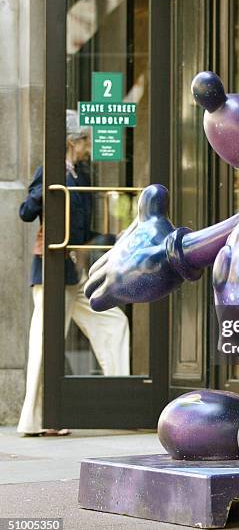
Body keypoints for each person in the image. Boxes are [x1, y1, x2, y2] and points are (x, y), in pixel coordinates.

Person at [17, 110, 130, 437]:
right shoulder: (50, 172)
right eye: (84, 141)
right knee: (45, 342)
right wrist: (46, 187)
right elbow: (26, 211)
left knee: (113, 322)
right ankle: (36, 419)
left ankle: (121, 405)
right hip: (52, 273)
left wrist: (110, 238)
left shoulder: (80, 176)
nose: (87, 146)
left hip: (75, 273)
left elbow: (81, 228)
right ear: (71, 142)